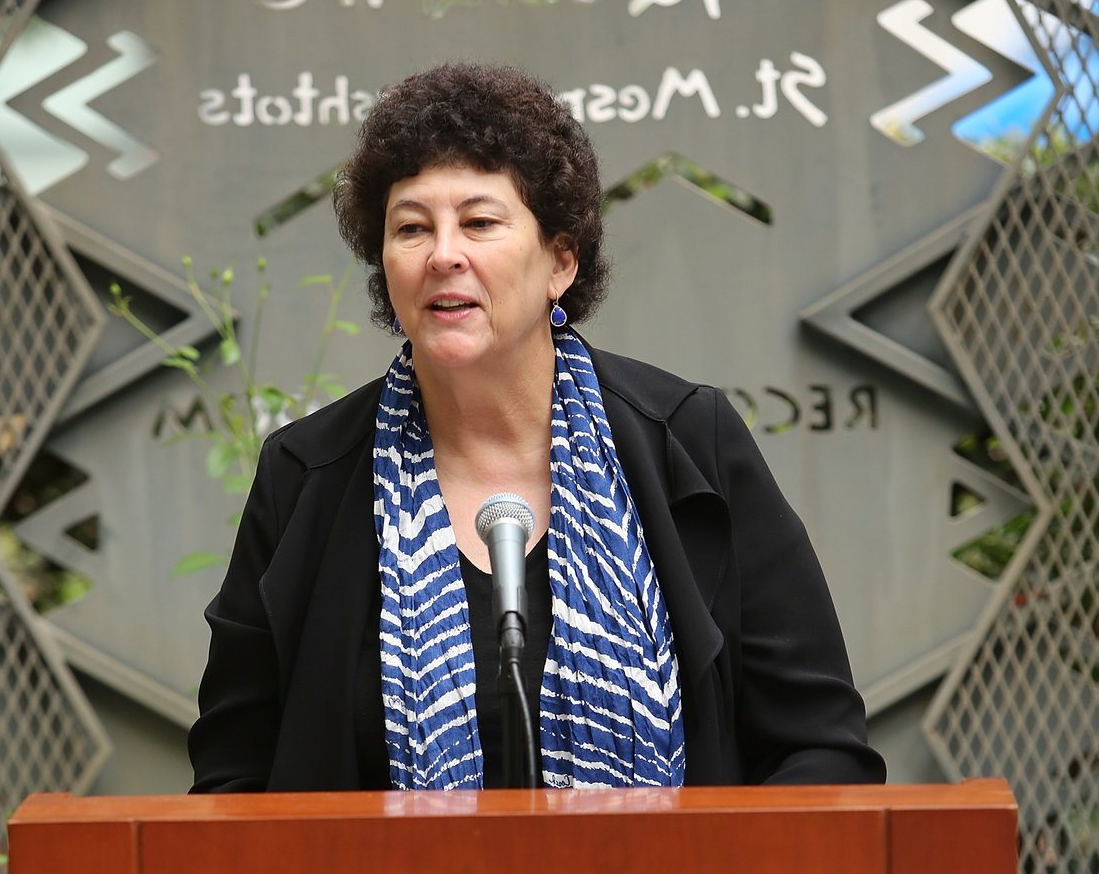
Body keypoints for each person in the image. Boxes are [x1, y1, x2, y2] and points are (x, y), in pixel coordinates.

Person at [189, 60, 884, 792]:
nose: (443, 254)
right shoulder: (307, 476)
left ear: (560, 261)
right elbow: (235, 782)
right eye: (411, 227)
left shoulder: (689, 442)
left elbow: (820, 750)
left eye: (481, 222)